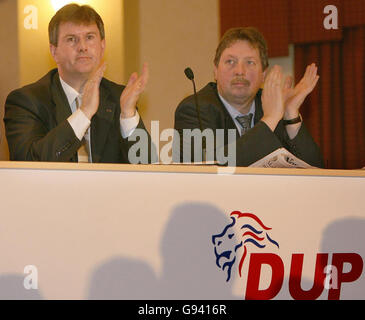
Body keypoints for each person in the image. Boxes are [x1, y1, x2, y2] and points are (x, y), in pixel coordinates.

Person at [4, 4, 153, 163]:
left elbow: (148, 168)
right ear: (54, 52)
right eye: (71, 39)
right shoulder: (26, 101)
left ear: (102, 46)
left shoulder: (120, 98)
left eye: (89, 37)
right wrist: (83, 113)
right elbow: (28, 164)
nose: (82, 47)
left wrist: (128, 115)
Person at [174, 27, 324, 167]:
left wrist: (290, 114)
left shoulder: (272, 106)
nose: (240, 71)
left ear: (263, 74)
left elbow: (316, 168)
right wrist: (269, 119)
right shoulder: (194, 109)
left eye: (250, 62)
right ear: (215, 71)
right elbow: (212, 167)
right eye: (230, 61)